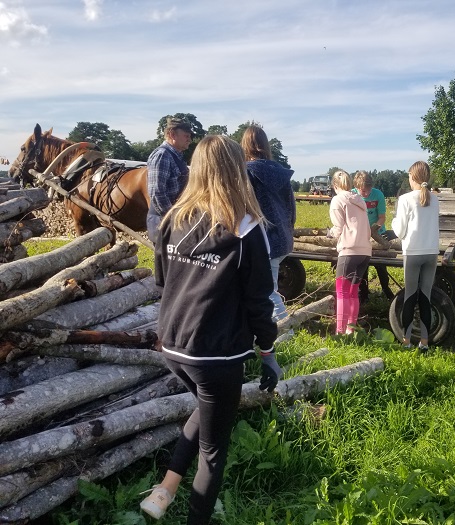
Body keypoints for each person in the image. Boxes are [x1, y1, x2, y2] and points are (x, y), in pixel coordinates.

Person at [140, 135, 281, 524]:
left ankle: (165, 490)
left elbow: (163, 281)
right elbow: (258, 300)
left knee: (206, 409)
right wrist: (267, 351)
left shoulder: (172, 219)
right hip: (214, 353)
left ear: (196, 168)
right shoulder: (245, 228)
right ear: (238, 171)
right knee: (214, 452)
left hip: (173, 345)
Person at [242, 125, 296, 323]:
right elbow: (291, 207)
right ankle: (258, 329)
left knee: (267, 291)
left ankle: (285, 331)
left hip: (262, 240)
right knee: (262, 288)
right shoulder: (280, 172)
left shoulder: (247, 172)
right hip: (282, 237)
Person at [391, 161, 439, 351]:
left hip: (413, 252)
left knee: (410, 296)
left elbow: (400, 231)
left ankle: (406, 341)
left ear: (413, 177)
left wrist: (394, 221)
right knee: (425, 297)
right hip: (431, 252)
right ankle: (425, 343)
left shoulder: (405, 199)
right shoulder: (435, 199)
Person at [328, 170, 372, 335]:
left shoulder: (337, 200)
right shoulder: (359, 199)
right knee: (353, 292)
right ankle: (350, 329)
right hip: (365, 252)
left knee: (341, 292)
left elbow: (338, 228)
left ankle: (339, 331)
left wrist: (330, 233)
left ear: (334, 185)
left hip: (349, 251)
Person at [146, 117, 193, 242]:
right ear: (172, 134)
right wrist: (173, 217)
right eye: (186, 136)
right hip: (163, 221)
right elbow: (157, 192)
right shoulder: (162, 155)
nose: (190, 139)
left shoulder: (175, 155)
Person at [352, 170, 395, 301]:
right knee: (362, 265)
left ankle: (386, 289)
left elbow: (382, 217)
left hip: (377, 232)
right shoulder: (352, 195)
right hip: (360, 235)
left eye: (367, 190)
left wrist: (374, 229)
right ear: (356, 188)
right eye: (362, 190)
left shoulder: (378, 195)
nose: (365, 193)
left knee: (380, 265)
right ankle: (364, 293)